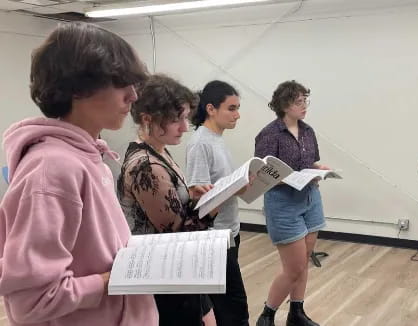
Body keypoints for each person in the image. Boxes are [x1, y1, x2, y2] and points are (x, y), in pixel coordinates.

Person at [0, 22, 158, 325]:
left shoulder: (90, 157)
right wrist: (106, 282)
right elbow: (31, 302)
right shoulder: (52, 169)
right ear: (75, 87)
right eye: (119, 82)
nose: (133, 96)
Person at [117, 74, 217, 326]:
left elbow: (170, 204)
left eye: (184, 118)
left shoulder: (158, 151)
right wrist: (215, 204)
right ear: (146, 119)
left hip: (172, 271)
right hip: (162, 276)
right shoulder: (146, 166)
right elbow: (179, 233)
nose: (184, 127)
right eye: (176, 120)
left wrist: (191, 195)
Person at [254, 80, 327, 326]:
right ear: (284, 105)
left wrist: (320, 169)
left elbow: (310, 162)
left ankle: (296, 313)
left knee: (304, 260)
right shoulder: (269, 134)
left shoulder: (307, 131)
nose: (304, 106)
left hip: (310, 198)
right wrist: (290, 179)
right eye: (299, 102)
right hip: (283, 204)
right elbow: (261, 174)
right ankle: (267, 315)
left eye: (306, 100)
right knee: (293, 267)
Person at [186, 80, 250, 326]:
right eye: (231, 108)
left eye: (238, 108)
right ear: (211, 109)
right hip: (215, 237)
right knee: (233, 309)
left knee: (228, 306)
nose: (238, 114)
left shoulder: (216, 139)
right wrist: (232, 187)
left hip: (230, 230)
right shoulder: (200, 143)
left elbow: (218, 186)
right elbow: (198, 194)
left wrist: (243, 184)